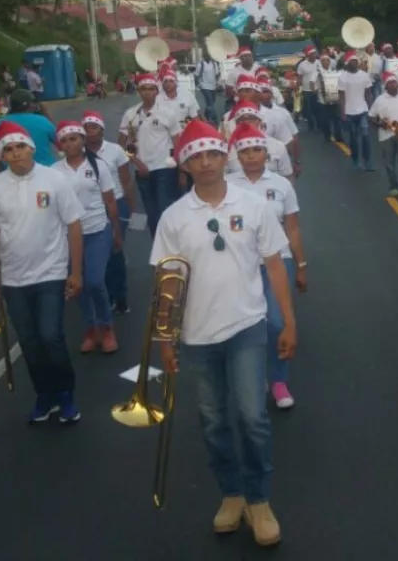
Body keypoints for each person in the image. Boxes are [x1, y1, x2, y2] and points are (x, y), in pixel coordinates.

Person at [150, 120, 295, 546]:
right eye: (197, 156)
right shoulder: (173, 218)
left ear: (222, 157)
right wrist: (165, 338)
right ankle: (231, 494)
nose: (207, 162)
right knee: (213, 421)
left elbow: (274, 265)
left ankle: (259, 498)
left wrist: (287, 322)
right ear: (186, 165)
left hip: (247, 324)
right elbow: (168, 281)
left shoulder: (254, 205)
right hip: (196, 335)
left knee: (253, 417)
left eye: (213, 154)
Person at [0, 121, 84, 424]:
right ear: (2, 155)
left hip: (51, 271)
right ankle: (44, 395)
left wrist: (76, 272)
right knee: (29, 340)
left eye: (20, 147)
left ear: (31, 148)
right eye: (8, 150)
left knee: (51, 335)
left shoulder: (55, 179)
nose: (15, 154)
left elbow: (74, 225)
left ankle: (65, 394)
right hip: (13, 277)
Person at [226, 123, 307, 410]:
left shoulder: (282, 185)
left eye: (256, 150)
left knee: (276, 321)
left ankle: (279, 380)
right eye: (245, 151)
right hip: (240, 264)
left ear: (266, 153)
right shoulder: (228, 186)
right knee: (250, 324)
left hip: (277, 260)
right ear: (237, 155)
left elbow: (293, 228)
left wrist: (301, 265)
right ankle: (256, 375)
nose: (251, 156)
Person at [54, 121, 121, 354]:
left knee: (94, 280)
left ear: (82, 140)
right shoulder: (54, 171)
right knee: (77, 283)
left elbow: (110, 200)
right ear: (59, 145)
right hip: (69, 236)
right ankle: (90, 328)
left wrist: (116, 232)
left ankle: (106, 326)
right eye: (65, 140)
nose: (70, 143)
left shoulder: (98, 165)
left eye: (74, 138)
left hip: (97, 230)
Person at [81, 110, 135, 315]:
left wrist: (131, 206)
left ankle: (119, 294)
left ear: (102, 130)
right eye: (85, 128)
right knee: (94, 255)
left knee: (115, 250)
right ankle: (103, 295)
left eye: (93, 128)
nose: (89, 132)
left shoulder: (115, 151)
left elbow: (126, 180)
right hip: (91, 207)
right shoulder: (79, 154)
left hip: (116, 202)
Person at [119, 73, 184, 234]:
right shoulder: (130, 114)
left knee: (165, 211)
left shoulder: (167, 113)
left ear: (157, 91)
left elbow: (178, 143)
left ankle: (172, 247)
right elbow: (122, 146)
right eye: (143, 89)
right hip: (142, 172)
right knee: (152, 213)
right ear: (138, 91)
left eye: (151, 89)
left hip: (164, 169)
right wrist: (137, 163)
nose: (147, 92)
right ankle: (159, 250)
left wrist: (181, 171)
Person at [368, 74, 398, 197]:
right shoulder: (380, 100)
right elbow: (371, 116)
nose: (393, 85)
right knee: (389, 162)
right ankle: (394, 186)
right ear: (386, 85)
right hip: (386, 135)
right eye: (390, 83)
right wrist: (379, 124)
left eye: (395, 82)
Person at [0, 89, 57, 166]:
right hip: (46, 169)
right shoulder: (42, 120)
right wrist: (45, 113)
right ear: (30, 105)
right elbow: (59, 140)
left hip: (12, 172)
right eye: (34, 102)